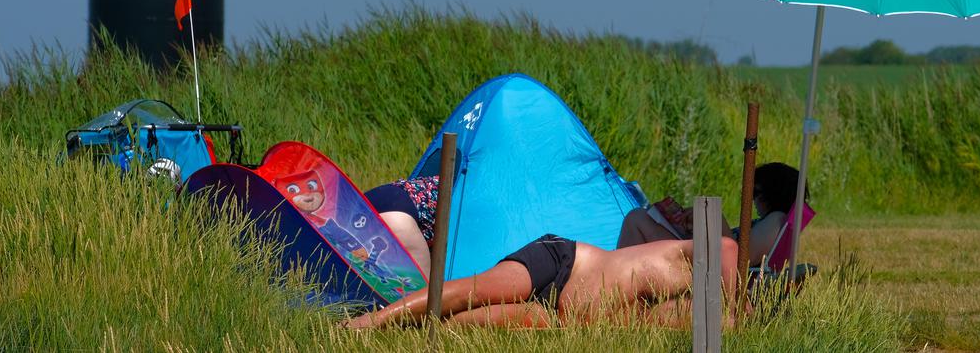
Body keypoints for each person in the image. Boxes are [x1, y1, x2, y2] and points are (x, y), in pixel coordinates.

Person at [343, 233, 740, 329]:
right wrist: (733, 303)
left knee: (459, 323)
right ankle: (364, 324)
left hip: (555, 317)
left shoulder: (689, 320)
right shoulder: (691, 267)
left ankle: (402, 332)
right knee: (471, 291)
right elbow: (726, 245)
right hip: (562, 262)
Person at [616, 162, 808, 268]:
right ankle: (622, 283)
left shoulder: (777, 220)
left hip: (712, 274)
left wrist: (713, 220)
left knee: (637, 219)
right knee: (640, 219)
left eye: (756, 193)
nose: (752, 200)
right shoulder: (774, 221)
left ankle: (615, 285)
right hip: (709, 265)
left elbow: (741, 258)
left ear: (774, 193)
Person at [364, 175, 439, 279]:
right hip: (399, 218)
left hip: (369, 200)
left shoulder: (452, 181)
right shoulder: (464, 197)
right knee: (423, 290)